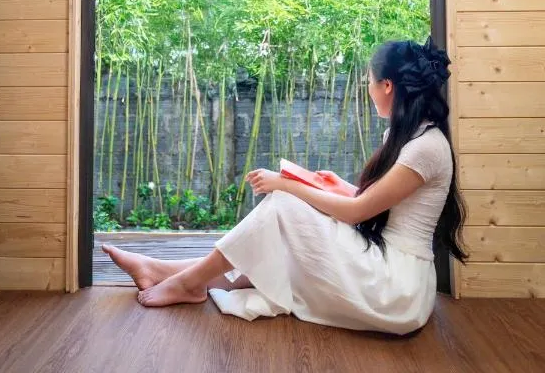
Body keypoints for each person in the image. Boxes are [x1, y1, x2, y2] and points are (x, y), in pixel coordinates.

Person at [102, 37, 467, 335]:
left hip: (396, 289)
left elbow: (359, 212)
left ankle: (187, 283)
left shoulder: (426, 147)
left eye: (369, 82)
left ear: (387, 86)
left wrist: (288, 186)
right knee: (281, 232)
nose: (368, 90)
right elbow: (377, 202)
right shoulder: (407, 136)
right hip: (385, 265)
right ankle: (162, 270)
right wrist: (334, 184)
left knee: (283, 204)